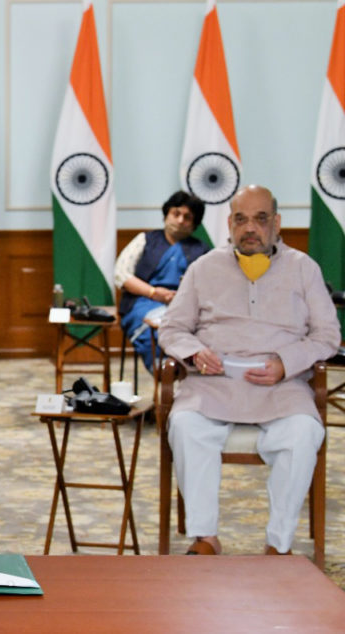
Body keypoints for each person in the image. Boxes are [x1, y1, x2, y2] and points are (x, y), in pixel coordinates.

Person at [158, 185, 340, 556]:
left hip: (282, 386)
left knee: (304, 432)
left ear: (277, 223)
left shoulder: (304, 268)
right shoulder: (203, 267)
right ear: (230, 224)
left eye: (260, 219)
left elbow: (327, 336)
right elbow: (172, 328)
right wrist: (195, 353)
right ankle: (205, 537)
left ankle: (278, 544)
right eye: (241, 219)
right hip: (214, 383)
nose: (250, 228)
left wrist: (286, 363)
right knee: (186, 426)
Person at [115, 191, 209, 370]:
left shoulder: (202, 250)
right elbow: (121, 274)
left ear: (194, 224)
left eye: (187, 217)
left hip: (186, 306)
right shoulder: (145, 240)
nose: (180, 221)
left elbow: (210, 285)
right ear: (166, 214)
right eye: (176, 214)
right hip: (144, 302)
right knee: (161, 327)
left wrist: (183, 298)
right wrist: (154, 293)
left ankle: (190, 370)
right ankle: (165, 371)